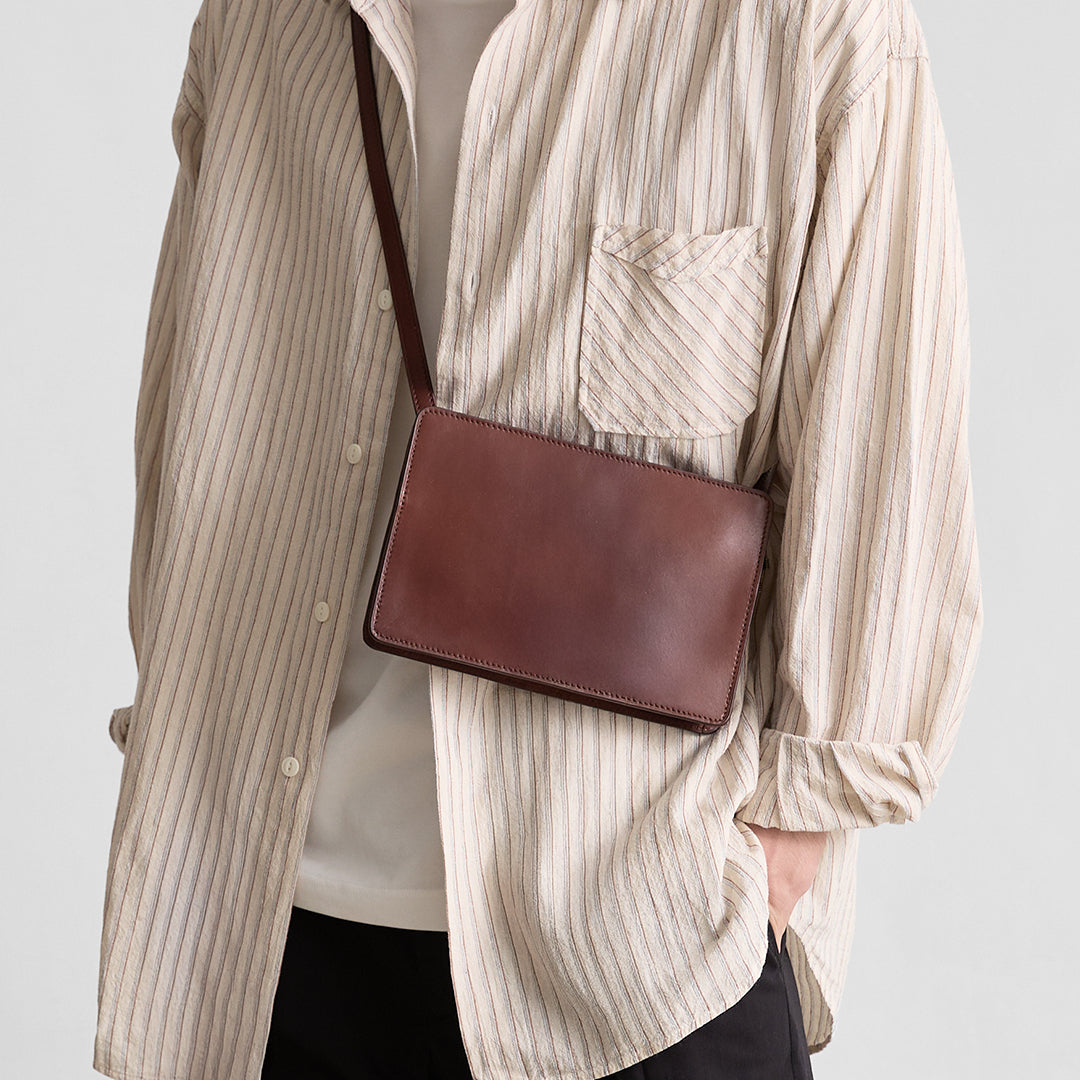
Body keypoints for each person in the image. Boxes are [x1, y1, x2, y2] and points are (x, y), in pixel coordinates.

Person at [94, 0, 983, 1078]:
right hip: (274, 941)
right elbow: (188, 430)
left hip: (638, 958)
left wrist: (779, 851)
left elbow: (887, 466)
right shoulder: (266, 21)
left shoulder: (802, 28)